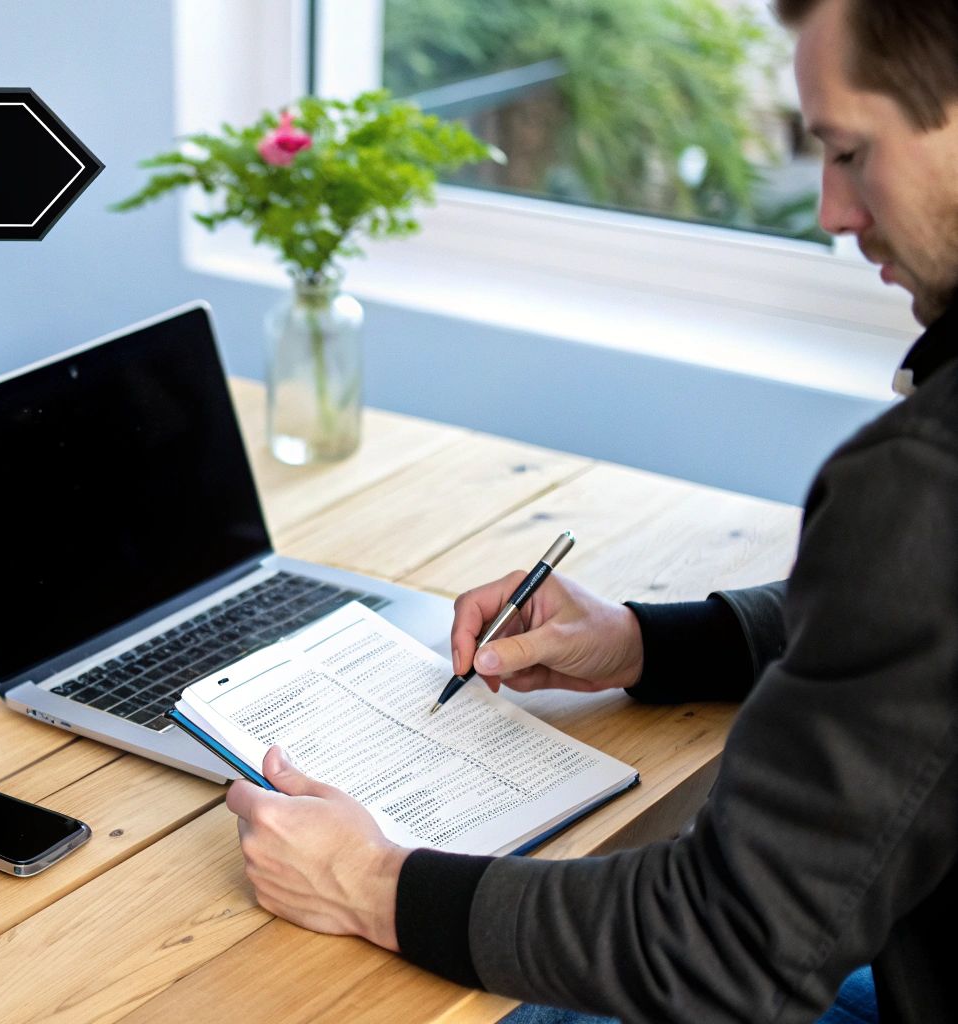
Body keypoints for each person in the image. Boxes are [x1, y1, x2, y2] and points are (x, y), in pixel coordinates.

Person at [223, 0, 958, 1020]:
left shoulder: (924, 477)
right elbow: (913, 626)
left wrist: (369, 883)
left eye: (847, 150)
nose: (832, 211)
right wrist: (643, 644)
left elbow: (721, 944)